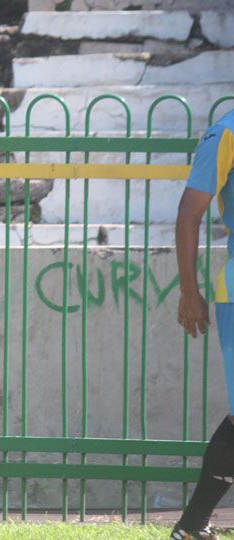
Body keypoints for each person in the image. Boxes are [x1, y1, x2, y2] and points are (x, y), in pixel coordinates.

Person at [171, 109, 234, 540]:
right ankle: (192, 526)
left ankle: (192, 527)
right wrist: (189, 290)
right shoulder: (227, 129)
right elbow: (190, 211)